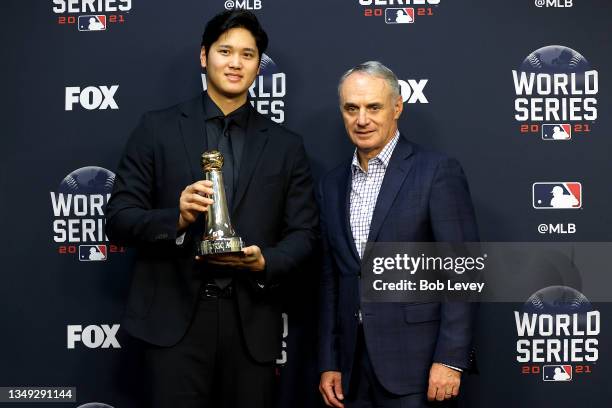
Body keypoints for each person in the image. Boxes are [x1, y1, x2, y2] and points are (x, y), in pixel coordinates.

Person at [105, 10, 318, 408]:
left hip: (251, 325)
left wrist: (263, 262)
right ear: (204, 57)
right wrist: (178, 218)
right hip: (172, 324)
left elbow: (305, 235)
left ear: (259, 65)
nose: (235, 63)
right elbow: (118, 219)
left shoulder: (287, 146)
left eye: (247, 54)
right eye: (225, 51)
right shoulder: (156, 129)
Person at [318, 61, 478, 408]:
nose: (362, 120)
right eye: (351, 108)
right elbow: (333, 280)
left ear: (397, 107)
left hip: (417, 367)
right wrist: (330, 361)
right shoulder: (331, 184)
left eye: (373, 107)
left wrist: (450, 359)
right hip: (352, 368)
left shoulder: (435, 171)